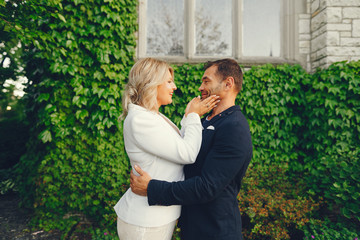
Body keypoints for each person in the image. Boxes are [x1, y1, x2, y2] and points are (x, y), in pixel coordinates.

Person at [130, 58, 253, 240]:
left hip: (215, 232)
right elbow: (182, 153)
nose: (200, 87)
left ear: (228, 84)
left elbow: (207, 187)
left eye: (206, 81)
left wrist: (152, 188)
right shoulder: (205, 121)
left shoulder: (235, 128)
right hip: (192, 229)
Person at [113, 57, 219, 240]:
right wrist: (193, 115)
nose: (174, 87)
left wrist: (188, 117)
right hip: (145, 221)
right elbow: (187, 153)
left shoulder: (152, 116)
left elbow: (178, 145)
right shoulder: (141, 120)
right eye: (169, 81)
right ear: (152, 84)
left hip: (156, 216)